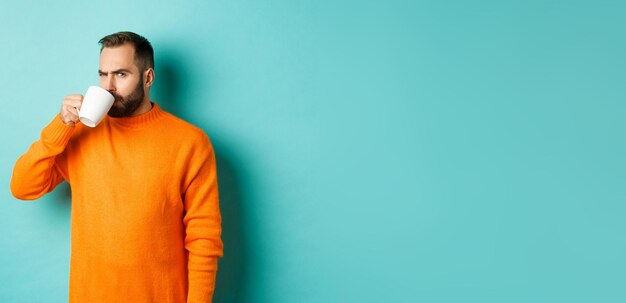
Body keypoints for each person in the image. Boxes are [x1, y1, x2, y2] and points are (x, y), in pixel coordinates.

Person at [10, 31, 224, 302]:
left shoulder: (190, 143)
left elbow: (204, 239)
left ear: (148, 78)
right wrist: (60, 126)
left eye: (120, 75)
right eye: (102, 74)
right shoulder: (79, 134)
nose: (107, 86)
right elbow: (22, 187)